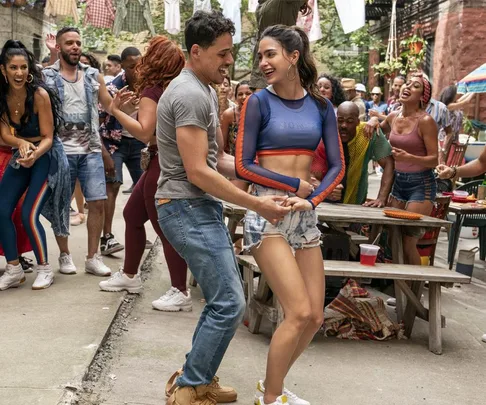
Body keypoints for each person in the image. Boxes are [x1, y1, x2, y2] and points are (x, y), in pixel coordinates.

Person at [156, 11, 290, 405]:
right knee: (230, 303)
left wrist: (283, 181)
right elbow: (198, 172)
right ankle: (188, 390)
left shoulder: (204, 90)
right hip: (185, 206)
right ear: (195, 52)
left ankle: (196, 379)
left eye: (231, 52)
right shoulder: (189, 94)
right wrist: (257, 204)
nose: (229, 61)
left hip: (195, 206)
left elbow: (220, 161)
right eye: (223, 53)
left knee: (223, 301)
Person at [236, 25, 345, 405]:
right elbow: (244, 165)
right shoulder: (258, 102)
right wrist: (292, 185)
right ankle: (272, 398)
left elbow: (336, 166)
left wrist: (311, 200)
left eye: (271, 54)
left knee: (314, 316)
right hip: (267, 211)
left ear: (294, 56)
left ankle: (271, 387)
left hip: (303, 214)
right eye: (261, 56)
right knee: (297, 312)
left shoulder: (321, 107)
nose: (263, 63)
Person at [99, 35, 191, 313]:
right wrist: (131, 110)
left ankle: (181, 290)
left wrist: (116, 110)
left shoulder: (152, 90)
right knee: (132, 215)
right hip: (163, 160)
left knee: (164, 228)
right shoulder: (173, 87)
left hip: (159, 161)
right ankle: (129, 275)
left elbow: (144, 132)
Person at [43, 27, 117, 277]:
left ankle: (92, 257)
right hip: (59, 151)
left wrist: (120, 107)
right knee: (61, 203)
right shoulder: (47, 76)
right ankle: (64, 255)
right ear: (60, 47)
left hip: (90, 149)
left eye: (78, 42)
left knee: (97, 202)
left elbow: (108, 104)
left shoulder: (93, 75)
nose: (75, 47)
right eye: (69, 43)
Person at [0, 40, 70, 290]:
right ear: (3, 70)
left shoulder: (39, 95)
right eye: (13, 68)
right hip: (23, 154)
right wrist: (20, 143)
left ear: (29, 68)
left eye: (23, 67)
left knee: (30, 213)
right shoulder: (2, 96)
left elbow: (49, 138)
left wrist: (32, 152)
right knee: (1, 210)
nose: (19, 73)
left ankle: (44, 268)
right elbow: (5, 135)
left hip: (46, 156)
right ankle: (13, 268)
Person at [367, 72, 438, 266]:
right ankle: (399, 290)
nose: (407, 87)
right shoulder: (392, 116)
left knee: (408, 242)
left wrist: (410, 158)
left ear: (423, 97)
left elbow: (434, 160)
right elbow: (376, 133)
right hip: (398, 183)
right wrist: (373, 121)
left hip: (420, 186)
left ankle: (413, 294)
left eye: (415, 86)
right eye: (407, 83)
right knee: (392, 239)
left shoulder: (426, 121)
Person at [99, 47, 144, 256]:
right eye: (132, 67)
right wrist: (104, 153)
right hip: (114, 143)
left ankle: (140, 234)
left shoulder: (149, 86)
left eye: (140, 65)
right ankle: (106, 238)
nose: (138, 70)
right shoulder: (112, 88)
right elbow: (98, 122)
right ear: (123, 67)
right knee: (113, 186)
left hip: (138, 143)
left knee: (146, 187)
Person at [313, 101, 394, 207]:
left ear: (357, 122)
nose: (344, 125)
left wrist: (381, 198)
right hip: (324, 203)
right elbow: (311, 176)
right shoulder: (326, 136)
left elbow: (389, 163)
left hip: (356, 202)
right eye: (340, 121)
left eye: (350, 121)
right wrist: (326, 191)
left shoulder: (368, 133)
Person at [439, 85, 475, 159]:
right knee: (447, 162)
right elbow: (466, 101)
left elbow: (464, 98)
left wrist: (473, 88)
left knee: (453, 163)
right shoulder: (448, 106)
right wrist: (476, 89)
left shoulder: (455, 104)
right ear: (451, 95)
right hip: (445, 139)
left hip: (454, 140)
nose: (457, 95)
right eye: (455, 93)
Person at [220, 80, 252, 156]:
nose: (244, 97)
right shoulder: (228, 115)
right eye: (240, 94)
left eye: (248, 93)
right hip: (233, 161)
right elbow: (222, 146)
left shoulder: (262, 114)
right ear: (236, 97)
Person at [426, 95, 451, 165]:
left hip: (431, 155)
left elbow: (449, 132)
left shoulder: (440, 108)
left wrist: (443, 151)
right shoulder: (402, 107)